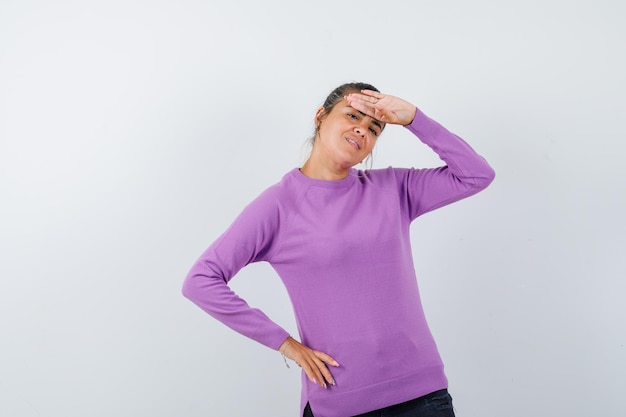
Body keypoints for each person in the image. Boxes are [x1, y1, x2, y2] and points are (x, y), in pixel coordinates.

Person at [182, 82, 495, 417]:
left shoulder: (393, 189)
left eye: (374, 127)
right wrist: (286, 344)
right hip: (341, 402)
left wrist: (413, 119)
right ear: (321, 116)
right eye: (352, 115)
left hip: (422, 397)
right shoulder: (279, 205)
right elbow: (201, 281)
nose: (362, 128)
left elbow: (476, 176)